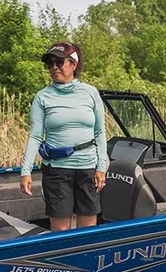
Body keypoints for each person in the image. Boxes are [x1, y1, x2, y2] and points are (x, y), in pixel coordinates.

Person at [19, 42, 108, 231]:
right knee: (60, 233)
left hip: (87, 170)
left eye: (59, 63)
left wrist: (102, 167)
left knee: (87, 232)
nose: (53, 68)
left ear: (73, 65)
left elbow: (100, 133)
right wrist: (26, 171)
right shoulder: (42, 97)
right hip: (57, 171)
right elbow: (35, 136)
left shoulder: (91, 93)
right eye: (50, 64)